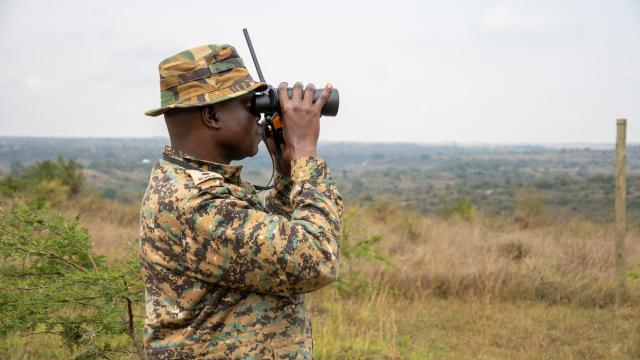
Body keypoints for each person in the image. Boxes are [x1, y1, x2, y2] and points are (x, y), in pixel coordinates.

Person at [140, 44, 343, 359]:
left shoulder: (203, 186)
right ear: (212, 115)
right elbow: (315, 260)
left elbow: (269, 246)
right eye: (251, 106)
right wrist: (304, 150)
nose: (260, 119)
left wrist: (287, 172)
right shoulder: (193, 201)